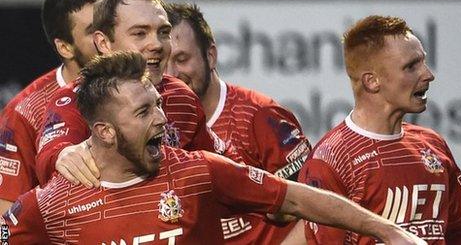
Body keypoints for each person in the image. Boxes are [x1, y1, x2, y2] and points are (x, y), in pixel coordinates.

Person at [2, 51, 425, 244]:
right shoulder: (49, 207)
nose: (162, 120)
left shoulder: (199, 171)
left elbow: (297, 200)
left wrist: (389, 231)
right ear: (106, 131)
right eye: (144, 112)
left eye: (159, 106)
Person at [283, 15, 461, 244]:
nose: (428, 74)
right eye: (411, 67)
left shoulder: (433, 145)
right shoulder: (331, 160)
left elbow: (458, 231)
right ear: (372, 82)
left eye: (423, 62)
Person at [35, 0, 234, 186]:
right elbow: (51, 157)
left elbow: (225, 168)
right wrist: (62, 155)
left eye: (164, 32)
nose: (156, 44)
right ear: (104, 43)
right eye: (140, 33)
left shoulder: (181, 95)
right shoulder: (75, 100)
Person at [165, 3, 311, 244]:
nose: (171, 73)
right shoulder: (156, 125)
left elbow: (315, 207)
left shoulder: (260, 116)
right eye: (162, 62)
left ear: (210, 56)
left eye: (182, 59)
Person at [0, 0, 104, 213]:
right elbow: (4, 218)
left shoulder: (147, 91)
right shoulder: (25, 113)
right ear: (65, 47)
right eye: (93, 32)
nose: (106, 38)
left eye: (109, 26)